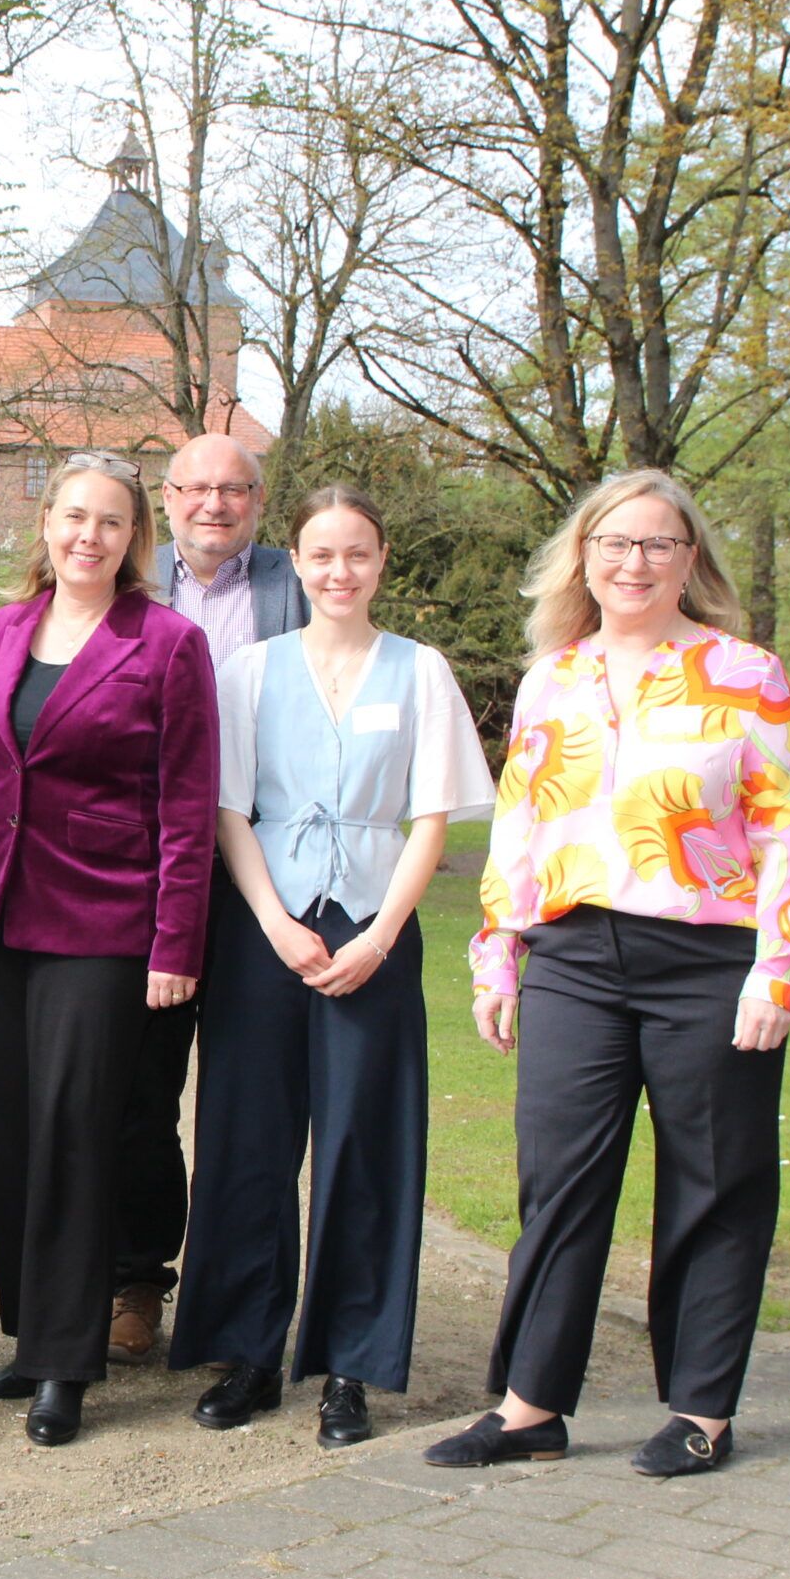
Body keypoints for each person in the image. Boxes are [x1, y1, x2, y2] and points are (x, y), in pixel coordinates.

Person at [433, 469, 790, 1477]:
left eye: (656, 544)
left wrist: (777, 973)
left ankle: (701, 1411)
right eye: (614, 543)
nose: (633, 563)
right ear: (584, 559)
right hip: (571, 958)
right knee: (556, 1181)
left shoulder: (747, 674)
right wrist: (496, 957)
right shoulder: (551, 678)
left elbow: (787, 834)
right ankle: (529, 1410)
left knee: (714, 1181)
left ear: (690, 559)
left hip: (706, 958)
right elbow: (517, 828)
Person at [165, 486, 494, 1447]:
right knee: (247, 1139)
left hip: (372, 929)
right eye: (321, 554)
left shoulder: (420, 671)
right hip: (267, 928)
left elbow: (431, 817)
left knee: (365, 1144)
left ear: (382, 561)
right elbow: (226, 808)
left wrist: (382, 935)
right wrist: (271, 921)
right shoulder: (251, 671)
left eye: (357, 553)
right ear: (295, 563)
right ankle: (249, 1350)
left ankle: (348, 1360)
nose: (339, 571)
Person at [0, 454, 218, 1446]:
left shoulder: (167, 644)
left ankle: (66, 1361)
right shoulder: (4, 627)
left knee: (72, 1131)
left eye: (111, 522)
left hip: (105, 924)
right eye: (73, 517)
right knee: (4, 1129)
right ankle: (31, 1332)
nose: (88, 536)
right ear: (45, 524)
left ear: (134, 539)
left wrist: (176, 938)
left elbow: (186, 806)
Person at [110, 434, 309, 1367]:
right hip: (151, 872)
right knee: (142, 1089)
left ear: (259, 501)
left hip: (268, 872)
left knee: (249, 1096)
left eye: (234, 489)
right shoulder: (124, 577)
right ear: (168, 496)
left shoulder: (294, 583)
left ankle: (240, 1297)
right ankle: (137, 1277)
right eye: (195, 488)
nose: (214, 505)